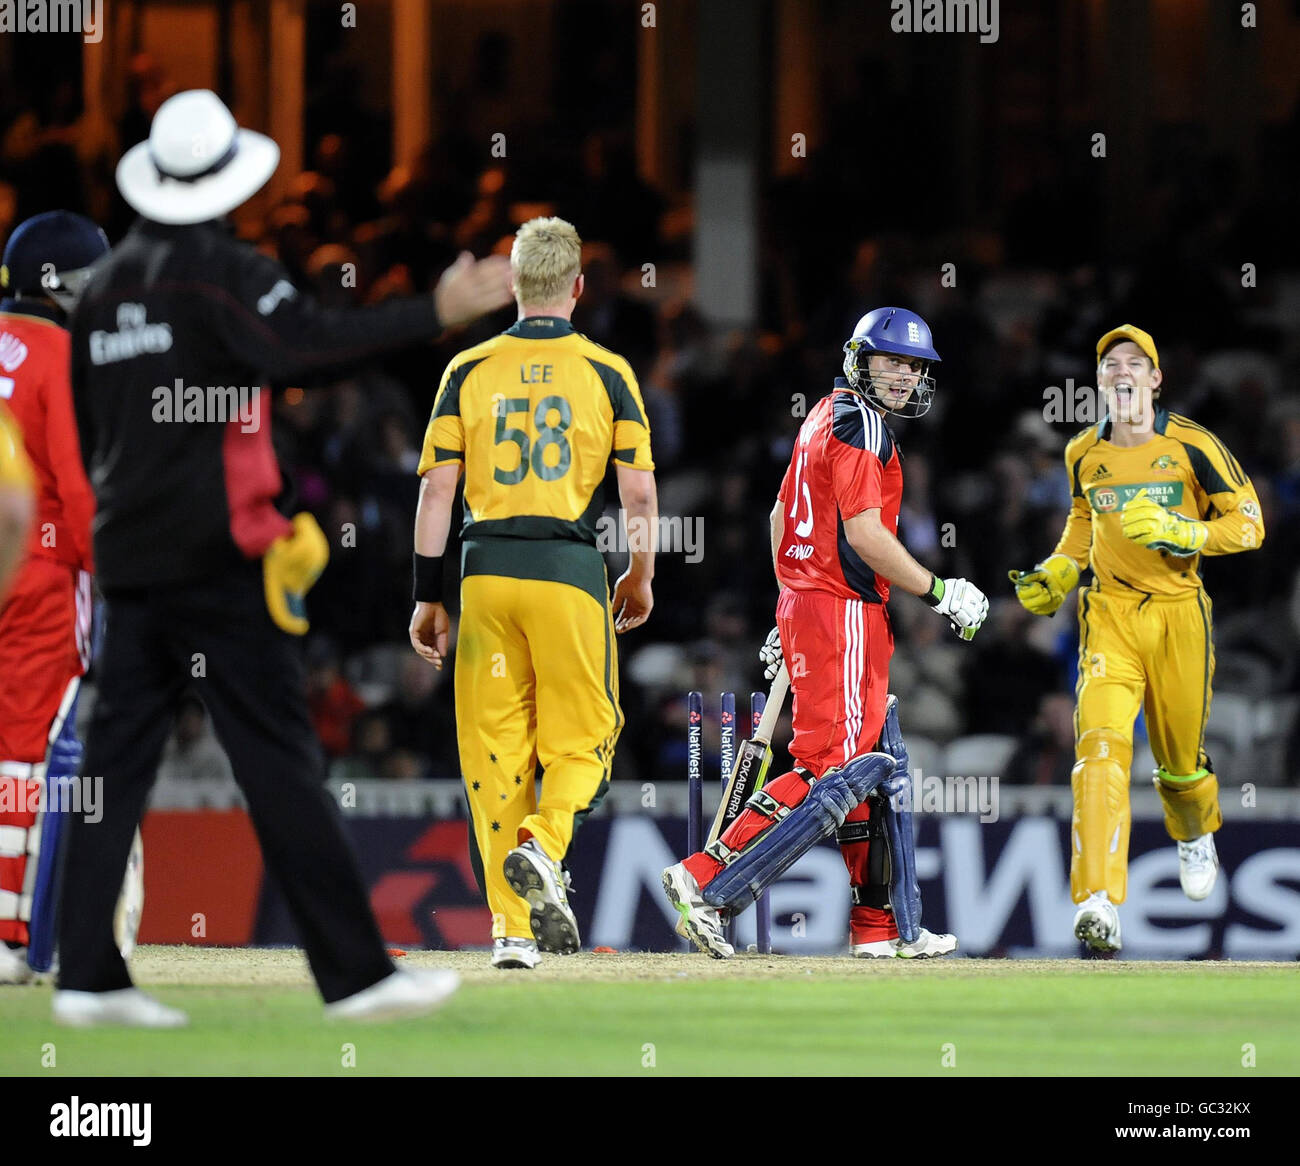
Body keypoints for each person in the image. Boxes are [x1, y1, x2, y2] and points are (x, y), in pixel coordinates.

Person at [55, 89, 512, 1027]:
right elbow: (308, 346)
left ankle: (87, 980)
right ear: (226, 179)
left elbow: (94, 426)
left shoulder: (101, 290)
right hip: (222, 566)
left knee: (113, 767)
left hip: (129, 568)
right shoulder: (221, 273)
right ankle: (356, 979)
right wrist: (437, 308)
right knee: (279, 768)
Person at [663, 307, 989, 959]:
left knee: (867, 761)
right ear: (860, 359)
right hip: (842, 610)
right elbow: (867, 536)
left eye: (913, 366)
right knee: (834, 771)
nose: (902, 377)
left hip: (820, 607)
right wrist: (941, 591)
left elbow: (783, 514)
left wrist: (789, 602)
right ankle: (705, 881)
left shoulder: (821, 412)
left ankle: (880, 931)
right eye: (890, 361)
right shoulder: (862, 425)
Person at [409, 216, 656, 970]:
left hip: (482, 575)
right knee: (585, 742)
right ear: (578, 287)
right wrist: (639, 575)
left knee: (495, 757)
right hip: (569, 574)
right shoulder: (608, 371)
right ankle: (545, 846)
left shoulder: (467, 369)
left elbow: (436, 496)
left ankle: (511, 934)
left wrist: (428, 595)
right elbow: (639, 500)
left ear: (513, 286)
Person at [1010, 324, 1265, 953]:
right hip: (1110, 618)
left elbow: (1250, 522)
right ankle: (1097, 900)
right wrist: (1062, 569)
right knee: (1098, 752)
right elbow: (1079, 524)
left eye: (1135, 363)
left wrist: (1188, 533)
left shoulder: (1193, 444)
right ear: (1099, 383)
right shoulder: (1082, 453)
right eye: (1110, 365)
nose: (1121, 372)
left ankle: (1193, 831)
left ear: (1155, 379)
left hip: (1180, 615)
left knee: (1179, 761)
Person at [0, 212, 105, 986]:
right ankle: (10, 938)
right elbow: (75, 486)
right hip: (37, 573)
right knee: (25, 758)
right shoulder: (61, 355)